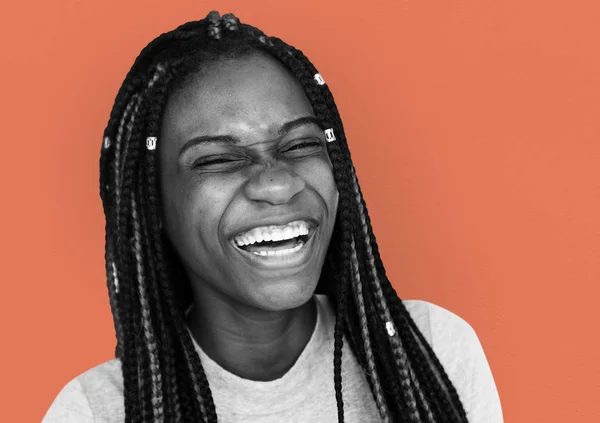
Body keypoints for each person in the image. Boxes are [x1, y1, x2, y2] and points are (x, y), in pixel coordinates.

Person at [42, 11, 503, 423]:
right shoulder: (94, 411)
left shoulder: (433, 348)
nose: (278, 183)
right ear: (154, 205)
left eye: (301, 146)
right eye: (216, 160)